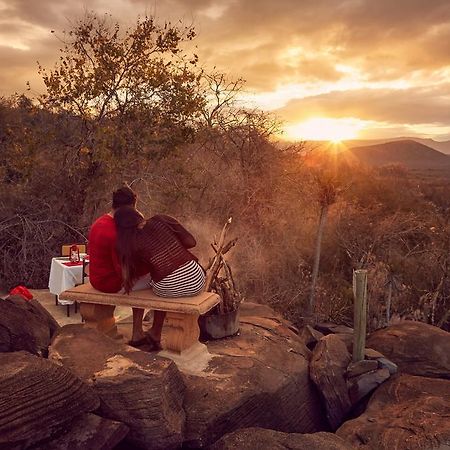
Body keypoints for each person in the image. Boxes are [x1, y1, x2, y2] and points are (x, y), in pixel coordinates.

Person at [114, 206, 205, 349]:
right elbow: (191, 242)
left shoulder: (131, 243)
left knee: (155, 284)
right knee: (162, 282)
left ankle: (151, 332)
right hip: (197, 278)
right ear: (138, 214)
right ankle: (155, 332)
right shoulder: (161, 219)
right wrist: (171, 247)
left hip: (168, 288)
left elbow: (136, 274)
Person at [88, 185, 150, 344]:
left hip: (95, 278)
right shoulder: (117, 231)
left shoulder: (99, 222)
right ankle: (138, 332)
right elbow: (124, 271)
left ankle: (137, 330)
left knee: (142, 277)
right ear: (131, 206)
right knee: (154, 280)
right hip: (110, 283)